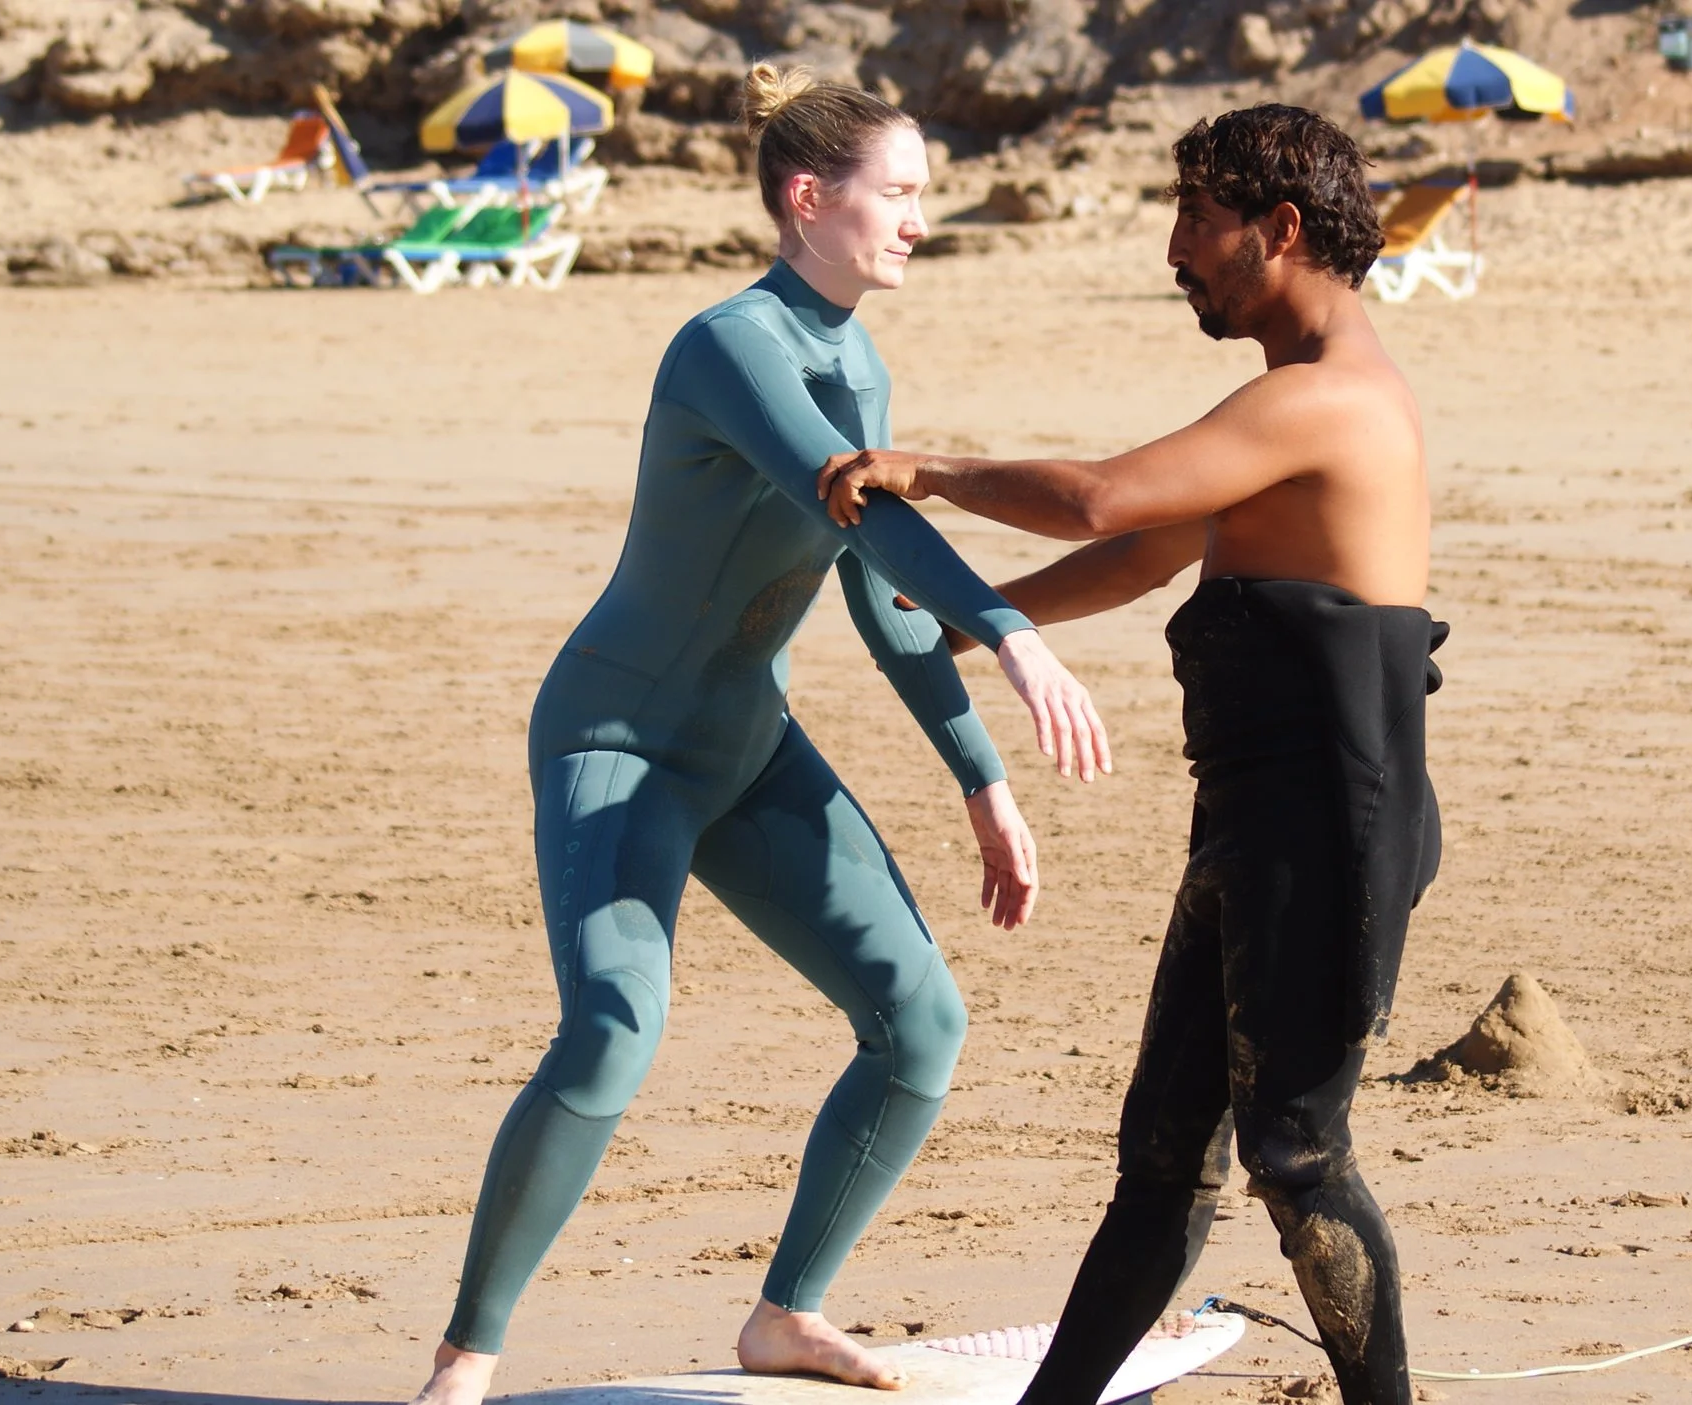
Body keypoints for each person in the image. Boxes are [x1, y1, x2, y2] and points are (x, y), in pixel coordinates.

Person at [408, 64, 1116, 1405]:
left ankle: (787, 1314)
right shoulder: (729, 346)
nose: (919, 217)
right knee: (615, 1027)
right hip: (614, 741)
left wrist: (983, 782)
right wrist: (1017, 636)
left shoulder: (862, 361)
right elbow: (864, 506)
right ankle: (465, 1361)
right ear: (808, 198)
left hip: (742, 743)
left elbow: (885, 594)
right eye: (897, 193)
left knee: (920, 1022)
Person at [816, 104, 1444, 1405]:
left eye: (1197, 219)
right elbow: (1149, 550)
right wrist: (980, 617)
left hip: (1334, 824)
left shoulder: (1328, 399)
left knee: (1297, 1151)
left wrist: (928, 471)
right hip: (1258, 826)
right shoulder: (1288, 407)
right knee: (1164, 1156)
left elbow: (1106, 496)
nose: (1175, 248)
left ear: (1279, 230)